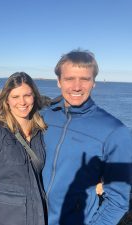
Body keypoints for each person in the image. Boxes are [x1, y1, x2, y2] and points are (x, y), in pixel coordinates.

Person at [42, 49, 132, 225]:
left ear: (93, 83)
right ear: (59, 82)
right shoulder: (46, 117)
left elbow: (118, 201)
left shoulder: (114, 131)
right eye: (69, 79)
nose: (77, 87)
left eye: (84, 79)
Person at [0, 72, 48, 225]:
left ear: (34, 96)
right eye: (15, 97)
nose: (22, 102)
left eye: (27, 95)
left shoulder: (42, 132)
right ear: (6, 100)